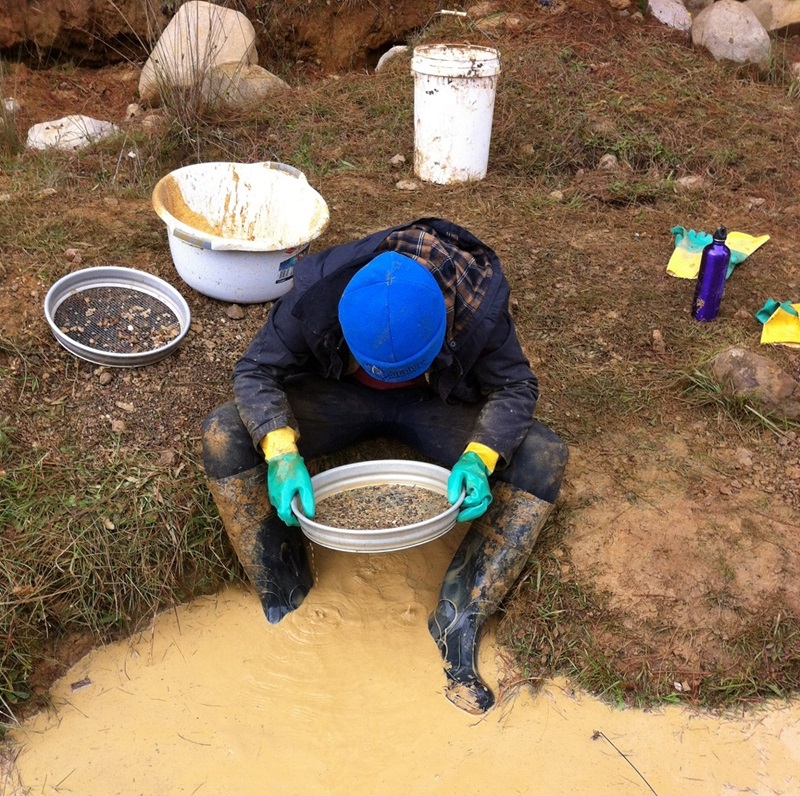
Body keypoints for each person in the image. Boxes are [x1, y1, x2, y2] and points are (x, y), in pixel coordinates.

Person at [201, 217, 568, 714]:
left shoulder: (478, 305)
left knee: (542, 454)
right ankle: (283, 590)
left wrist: (480, 457)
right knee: (225, 433)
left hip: (435, 403)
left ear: (444, 322)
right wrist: (282, 452)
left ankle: (459, 617)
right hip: (341, 397)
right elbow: (255, 370)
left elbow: (516, 386)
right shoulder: (316, 294)